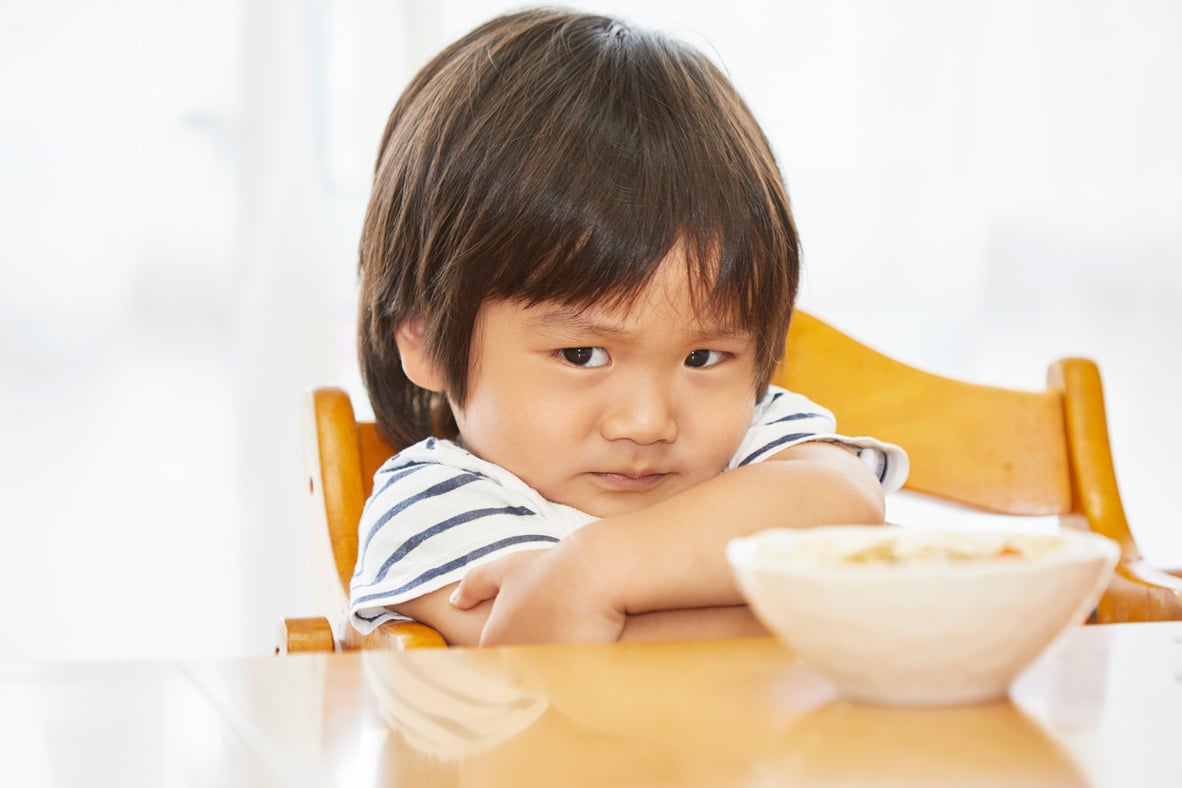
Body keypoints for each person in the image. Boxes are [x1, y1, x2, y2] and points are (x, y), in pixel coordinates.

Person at [349, 8, 908, 646]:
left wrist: (595, 570)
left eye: (703, 358)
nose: (648, 423)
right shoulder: (431, 504)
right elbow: (571, 648)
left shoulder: (749, 436)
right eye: (583, 354)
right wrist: (832, 593)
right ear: (422, 338)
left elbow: (843, 495)